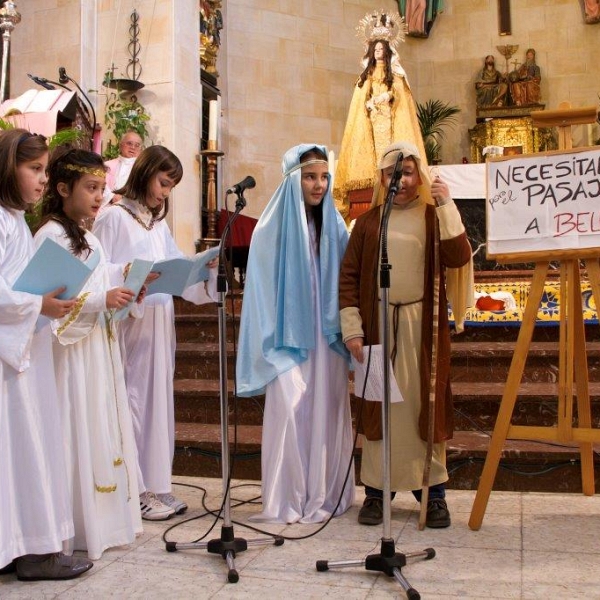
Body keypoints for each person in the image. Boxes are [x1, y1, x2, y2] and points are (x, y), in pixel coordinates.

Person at [339, 141, 473, 528]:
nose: (403, 180)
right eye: (394, 172)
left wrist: (447, 205)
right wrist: (353, 329)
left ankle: (432, 494)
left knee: (422, 407)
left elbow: (458, 256)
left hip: (421, 329)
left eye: (410, 171)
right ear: (382, 177)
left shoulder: (433, 217)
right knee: (379, 406)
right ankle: (377, 492)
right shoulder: (367, 223)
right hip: (377, 327)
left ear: (421, 175)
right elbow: (348, 277)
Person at [93, 145, 217, 521]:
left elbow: (177, 269)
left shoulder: (156, 223)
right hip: (130, 321)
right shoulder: (113, 217)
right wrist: (131, 275)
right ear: (145, 173)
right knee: (133, 400)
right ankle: (136, 488)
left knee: (157, 402)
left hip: (159, 323)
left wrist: (204, 273)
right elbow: (100, 270)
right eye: (163, 182)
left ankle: (158, 484)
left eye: (171, 187)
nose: (165, 192)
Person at [236, 144, 355, 523]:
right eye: (309, 177)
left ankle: (324, 492)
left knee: (326, 408)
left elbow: (347, 277)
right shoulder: (270, 229)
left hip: (326, 334)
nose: (318, 185)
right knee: (291, 406)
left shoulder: (334, 224)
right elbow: (259, 291)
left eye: (323, 177)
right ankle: (288, 495)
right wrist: (270, 341)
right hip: (286, 336)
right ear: (292, 179)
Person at [34, 148, 143, 559]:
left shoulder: (89, 234)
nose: (100, 197)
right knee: (75, 425)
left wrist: (128, 278)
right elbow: (51, 301)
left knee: (100, 425)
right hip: (70, 355)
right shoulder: (49, 235)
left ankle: (106, 522)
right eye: (91, 188)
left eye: (103, 188)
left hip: (97, 345)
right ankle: (77, 528)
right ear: (63, 189)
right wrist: (103, 298)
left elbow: (98, 275)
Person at [0, 129, 93, 580]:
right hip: (8, 360)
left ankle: (26, 546)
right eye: (34, 169)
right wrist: (38, 303)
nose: (42, 179)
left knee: (25, 450)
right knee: (20, 450)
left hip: (23, 349)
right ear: (6, 167)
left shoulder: (14, 219)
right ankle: (33, 552)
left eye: (43, 169)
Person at [334, 12, 431, 221]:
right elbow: (361, 97)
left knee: (389, 149)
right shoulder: (367, 74)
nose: (378, 52)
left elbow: (398, 94)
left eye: (381, 49)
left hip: (389, 119)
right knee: (375, 150)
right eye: (375, 49)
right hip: (372, 121)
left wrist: (385, 97)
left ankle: (389, 172)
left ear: (387, 51)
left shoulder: (395, 72)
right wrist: (369, 103)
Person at [101, 130, 143, 209]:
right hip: (109, 207)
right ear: (121, 145)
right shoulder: (107, 165)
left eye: (137, 145)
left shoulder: (143, 169)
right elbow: (100, 185)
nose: (133, 147)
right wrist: (112, 197)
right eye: (129, 143)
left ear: (140, 150)